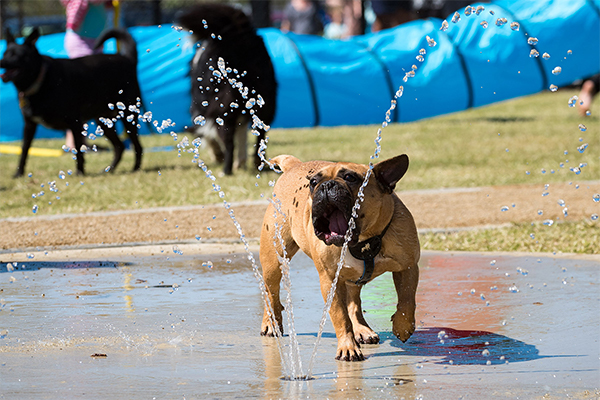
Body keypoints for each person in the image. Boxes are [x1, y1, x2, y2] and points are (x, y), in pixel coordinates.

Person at [60, 0, 114, 149]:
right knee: (81, 92)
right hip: (80, 41)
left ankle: (81, 141)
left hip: (96, 40)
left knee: (92, 92)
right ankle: (73, 142)